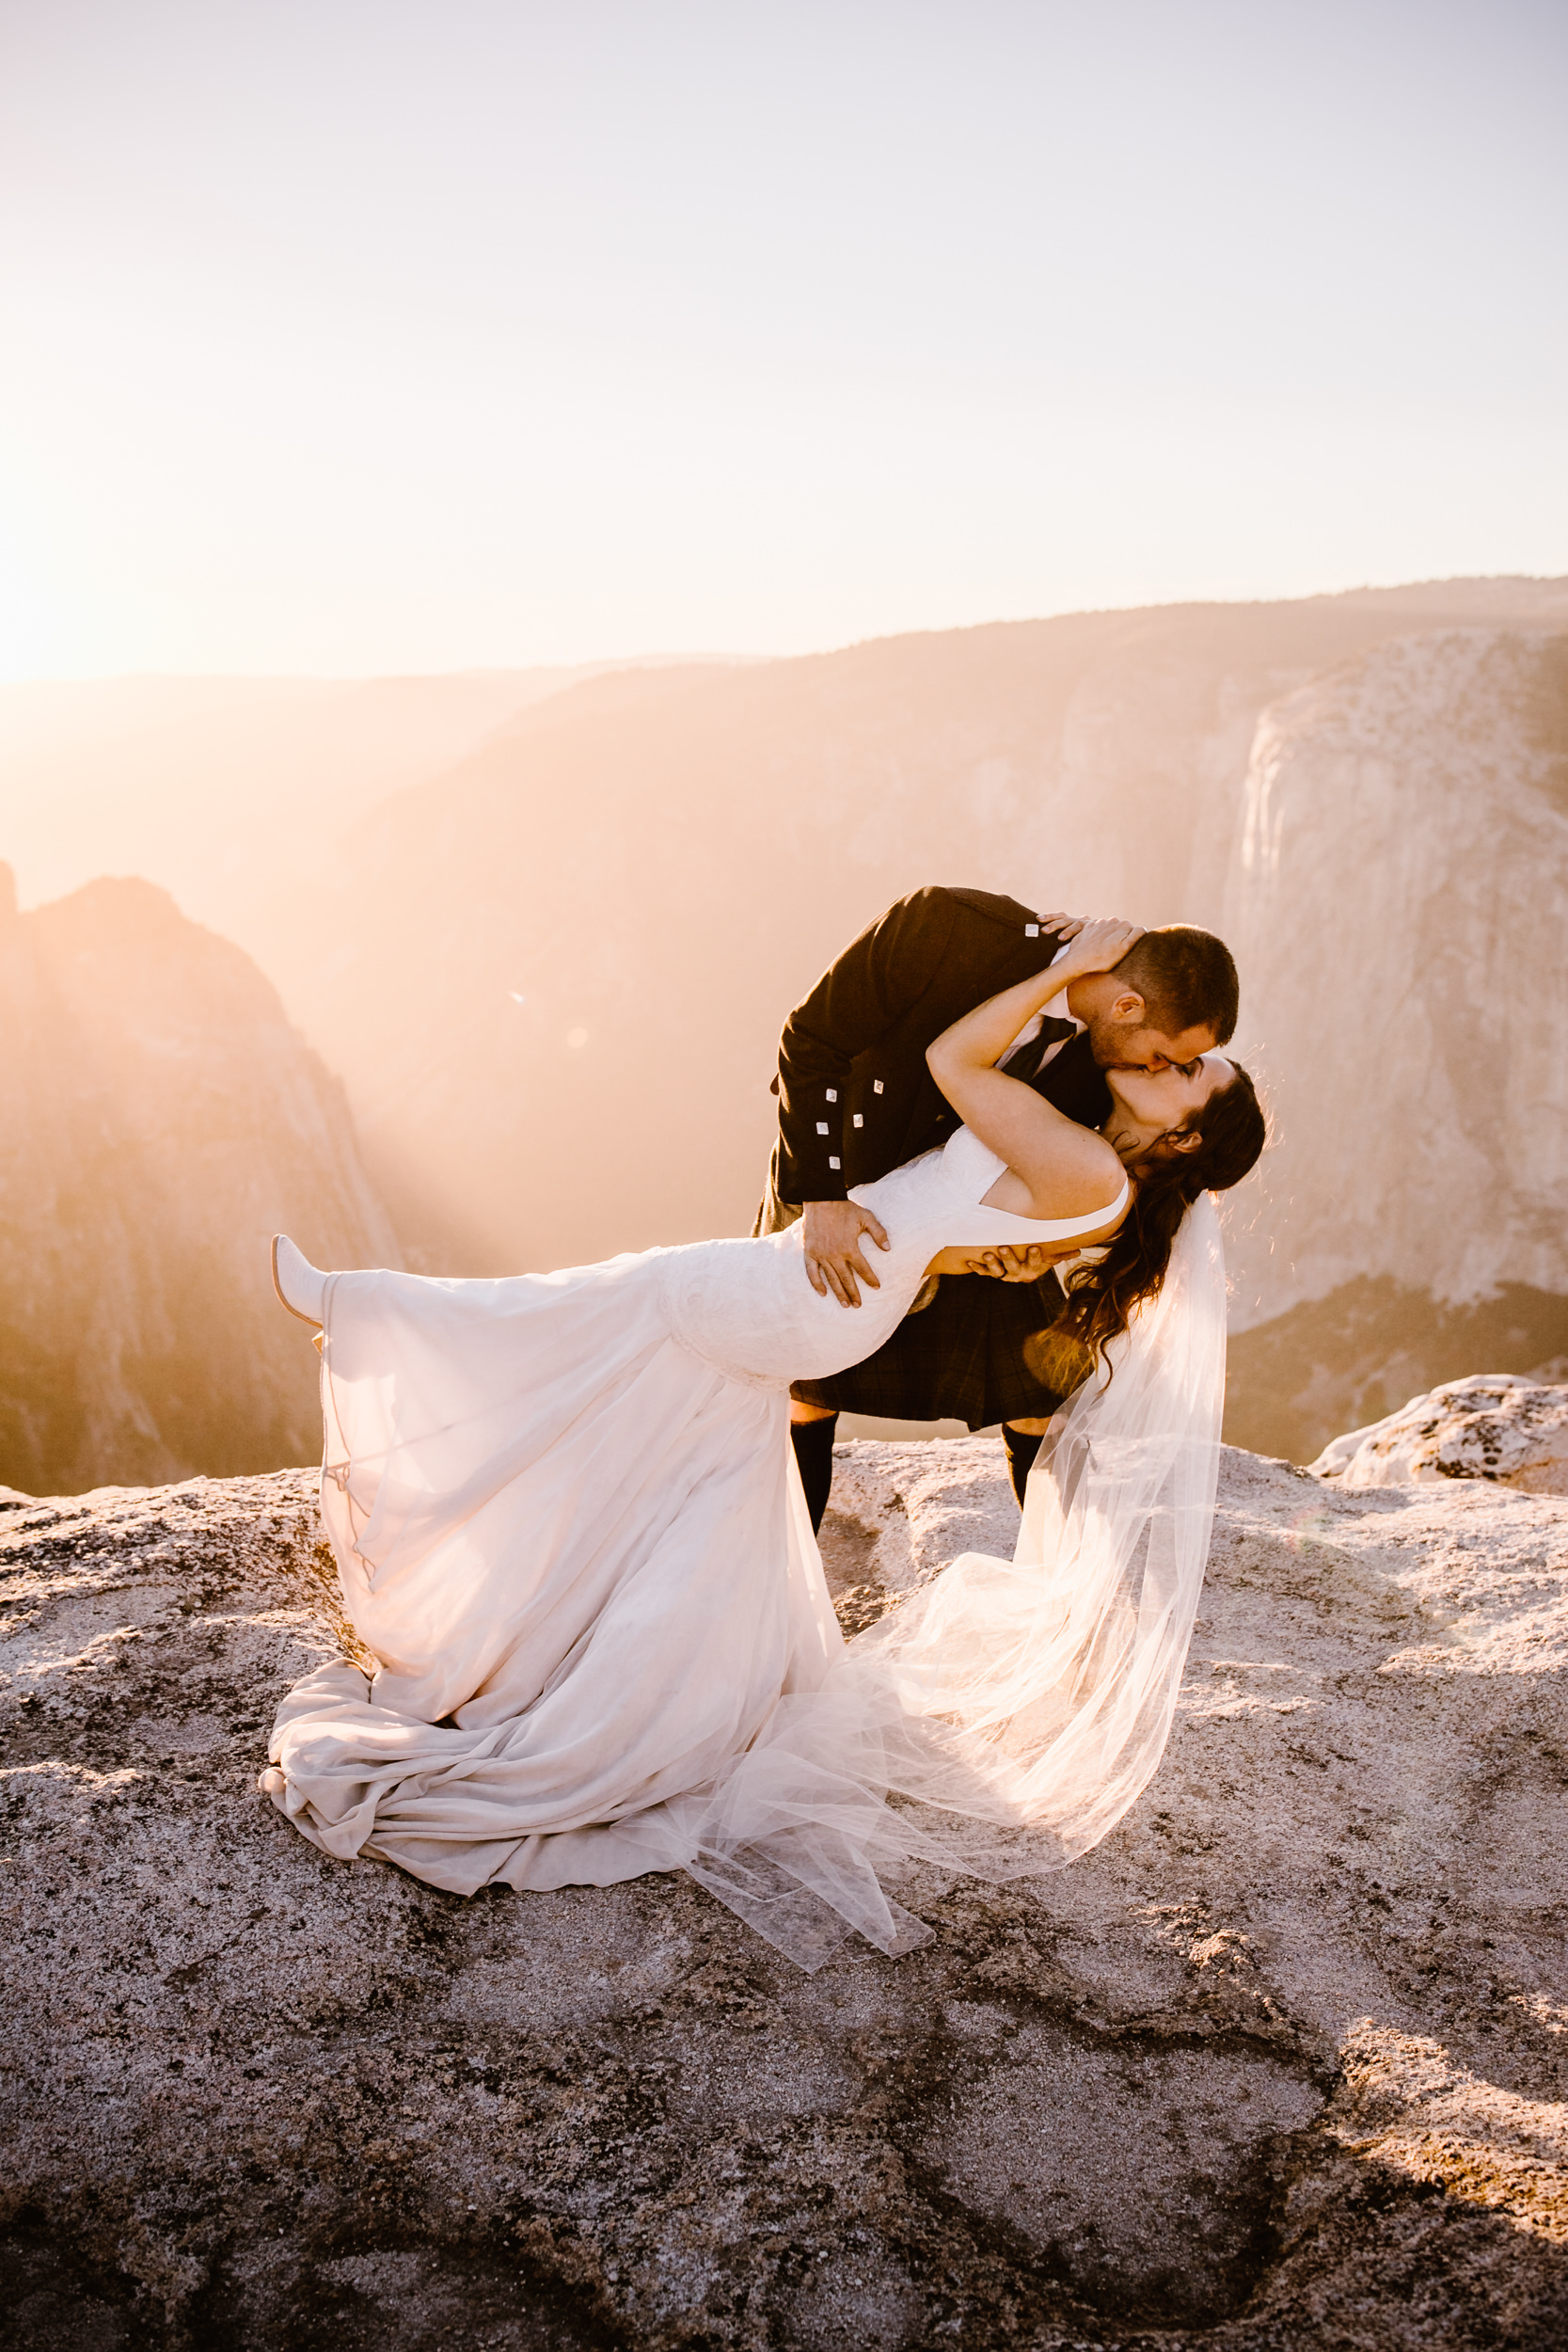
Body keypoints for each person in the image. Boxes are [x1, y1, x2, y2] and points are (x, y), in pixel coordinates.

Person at [262, 920, 1265, 1970]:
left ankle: (359, 1307)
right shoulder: (1090, 1164)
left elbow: (948, 1062)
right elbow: (962, 1202)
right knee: (707, 1470)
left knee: (592, 1304)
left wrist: (1064, 971)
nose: (1164, 1061)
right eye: (1180, 1050)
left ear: (1186, 1135)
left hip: (809, 1293)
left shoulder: (1089, 1167)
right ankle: (655, 1693)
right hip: (831, 1293)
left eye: (1189, 1073)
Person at [753, 888, 1243, 1524]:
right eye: (1160, 1055)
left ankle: (1060, 1577)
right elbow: (809, 1039)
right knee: (806, 1383)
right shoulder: (946, 927)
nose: (1155, 1071)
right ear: (1126, 1005)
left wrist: (1038, 1254)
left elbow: (1078, 1169)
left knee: (1037, 1388)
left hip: (967, 1204)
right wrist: (821, 1198)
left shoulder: (1111, 1061)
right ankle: (797, 1570)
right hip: (839, 1171)